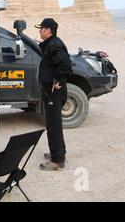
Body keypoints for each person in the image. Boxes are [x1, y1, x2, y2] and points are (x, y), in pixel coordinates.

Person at [35, 18, 72, 171]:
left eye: (42, 28)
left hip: (54, 91)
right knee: (52, 123)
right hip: (51, 90)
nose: (39, 31)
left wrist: (57, 80)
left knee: (54, 124)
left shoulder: (54, 45)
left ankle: (57, 160)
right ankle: (58, 152)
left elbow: (66, 65)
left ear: (48, 30)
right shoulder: (51, 44)